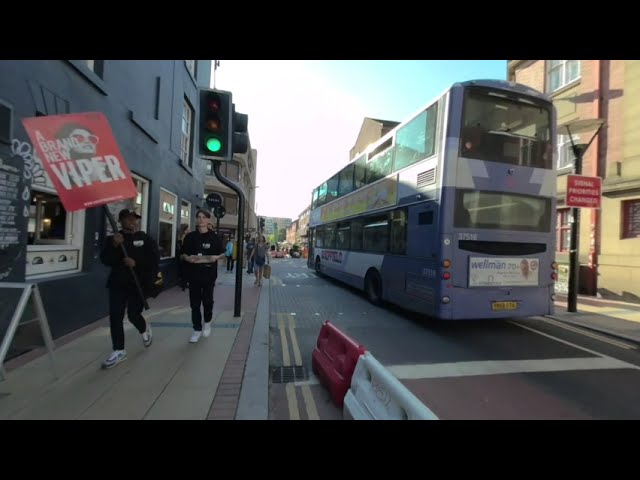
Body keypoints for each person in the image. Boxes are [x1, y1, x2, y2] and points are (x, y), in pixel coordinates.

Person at [99, 209, 159, 369]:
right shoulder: (114, 239)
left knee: (133, 314)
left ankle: (144, 328)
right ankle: (119, 350)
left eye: (134, 219)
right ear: (120, 221)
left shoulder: (144, 239)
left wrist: (136, 262)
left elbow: (154, 260)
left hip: (137, 285)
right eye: (128, 219)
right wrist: (114, 245)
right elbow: (106, 260)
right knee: (115, 317)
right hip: (118, 284)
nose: (132, 222)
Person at [180, 209, 225, 343]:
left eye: (204, 217)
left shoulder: (214, 237)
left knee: (207, 301)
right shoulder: (190, 237)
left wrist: (216, 257)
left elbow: (223, 254)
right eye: (199, 217)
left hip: (209, 275)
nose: (201, 219)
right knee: (194, 304)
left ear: (208, 220)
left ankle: (207, 322)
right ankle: (197, 329)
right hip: (193, 275)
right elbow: (182, 254)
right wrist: (187, 258)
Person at [177, 223, 190, 290]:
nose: (189, 230)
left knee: (184, 269)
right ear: (184, 230)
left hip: (182, 255)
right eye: (188, 229)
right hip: (184, 255)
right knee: (185, 270)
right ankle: (184, 284)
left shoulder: (180, 236)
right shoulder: (184, 236)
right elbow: (184, 246)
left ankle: (184, 283)